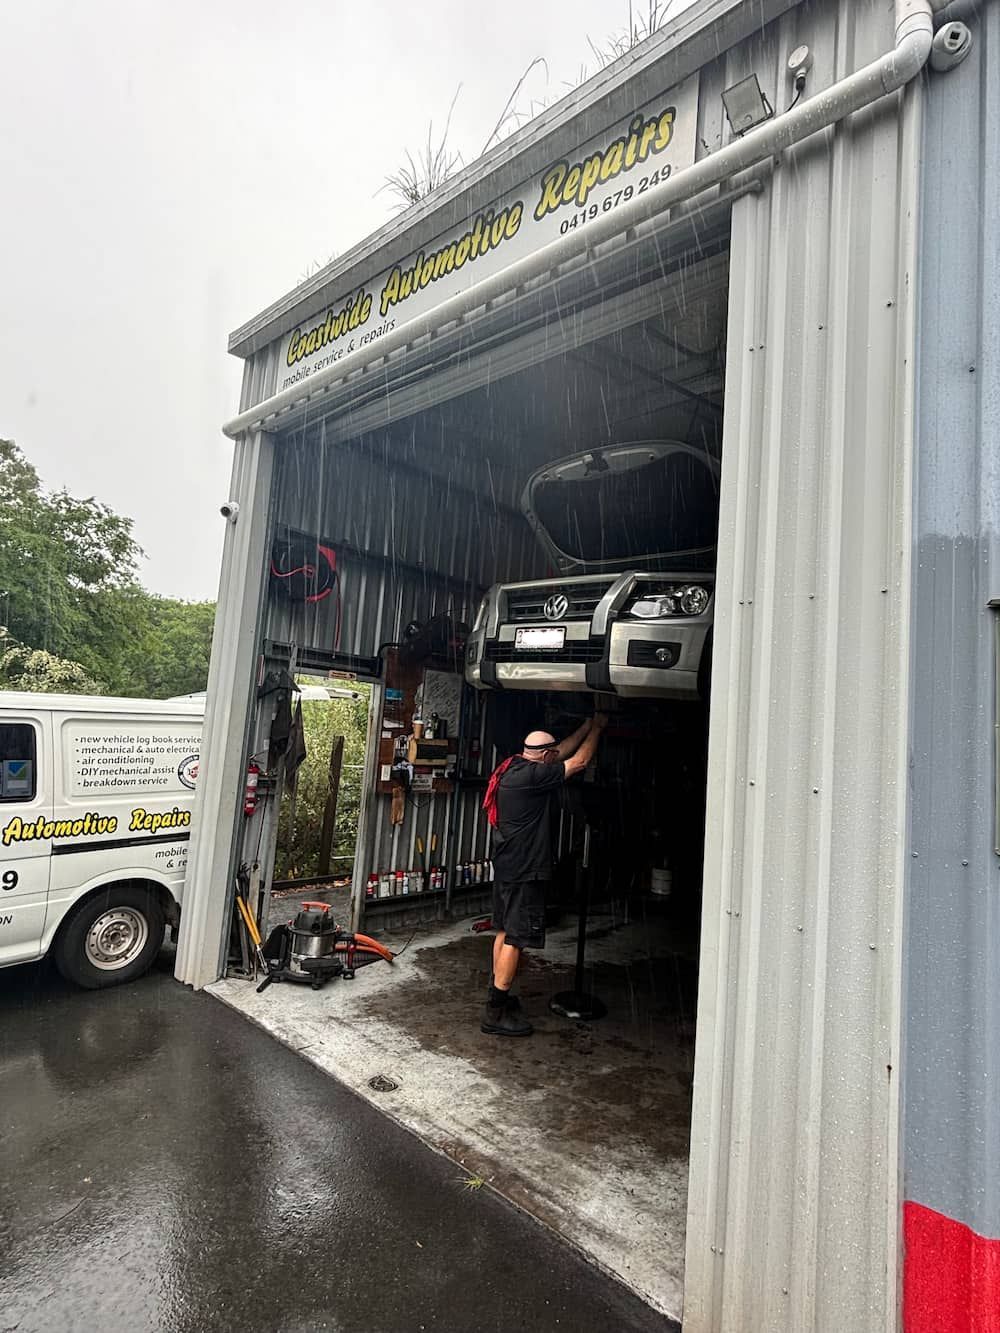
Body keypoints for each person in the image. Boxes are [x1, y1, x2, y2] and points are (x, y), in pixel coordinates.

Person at [480, 711, 608, 1036]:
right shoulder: (533, 778)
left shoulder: (514, 766)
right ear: (544, 758)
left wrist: (587, 723)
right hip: (526, 870)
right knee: (516, 938)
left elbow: (562, 750)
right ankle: (495, 1013)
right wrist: (599, 730)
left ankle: (497, 996)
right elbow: (577, 762)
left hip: (508, 866)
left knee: (503, 930)